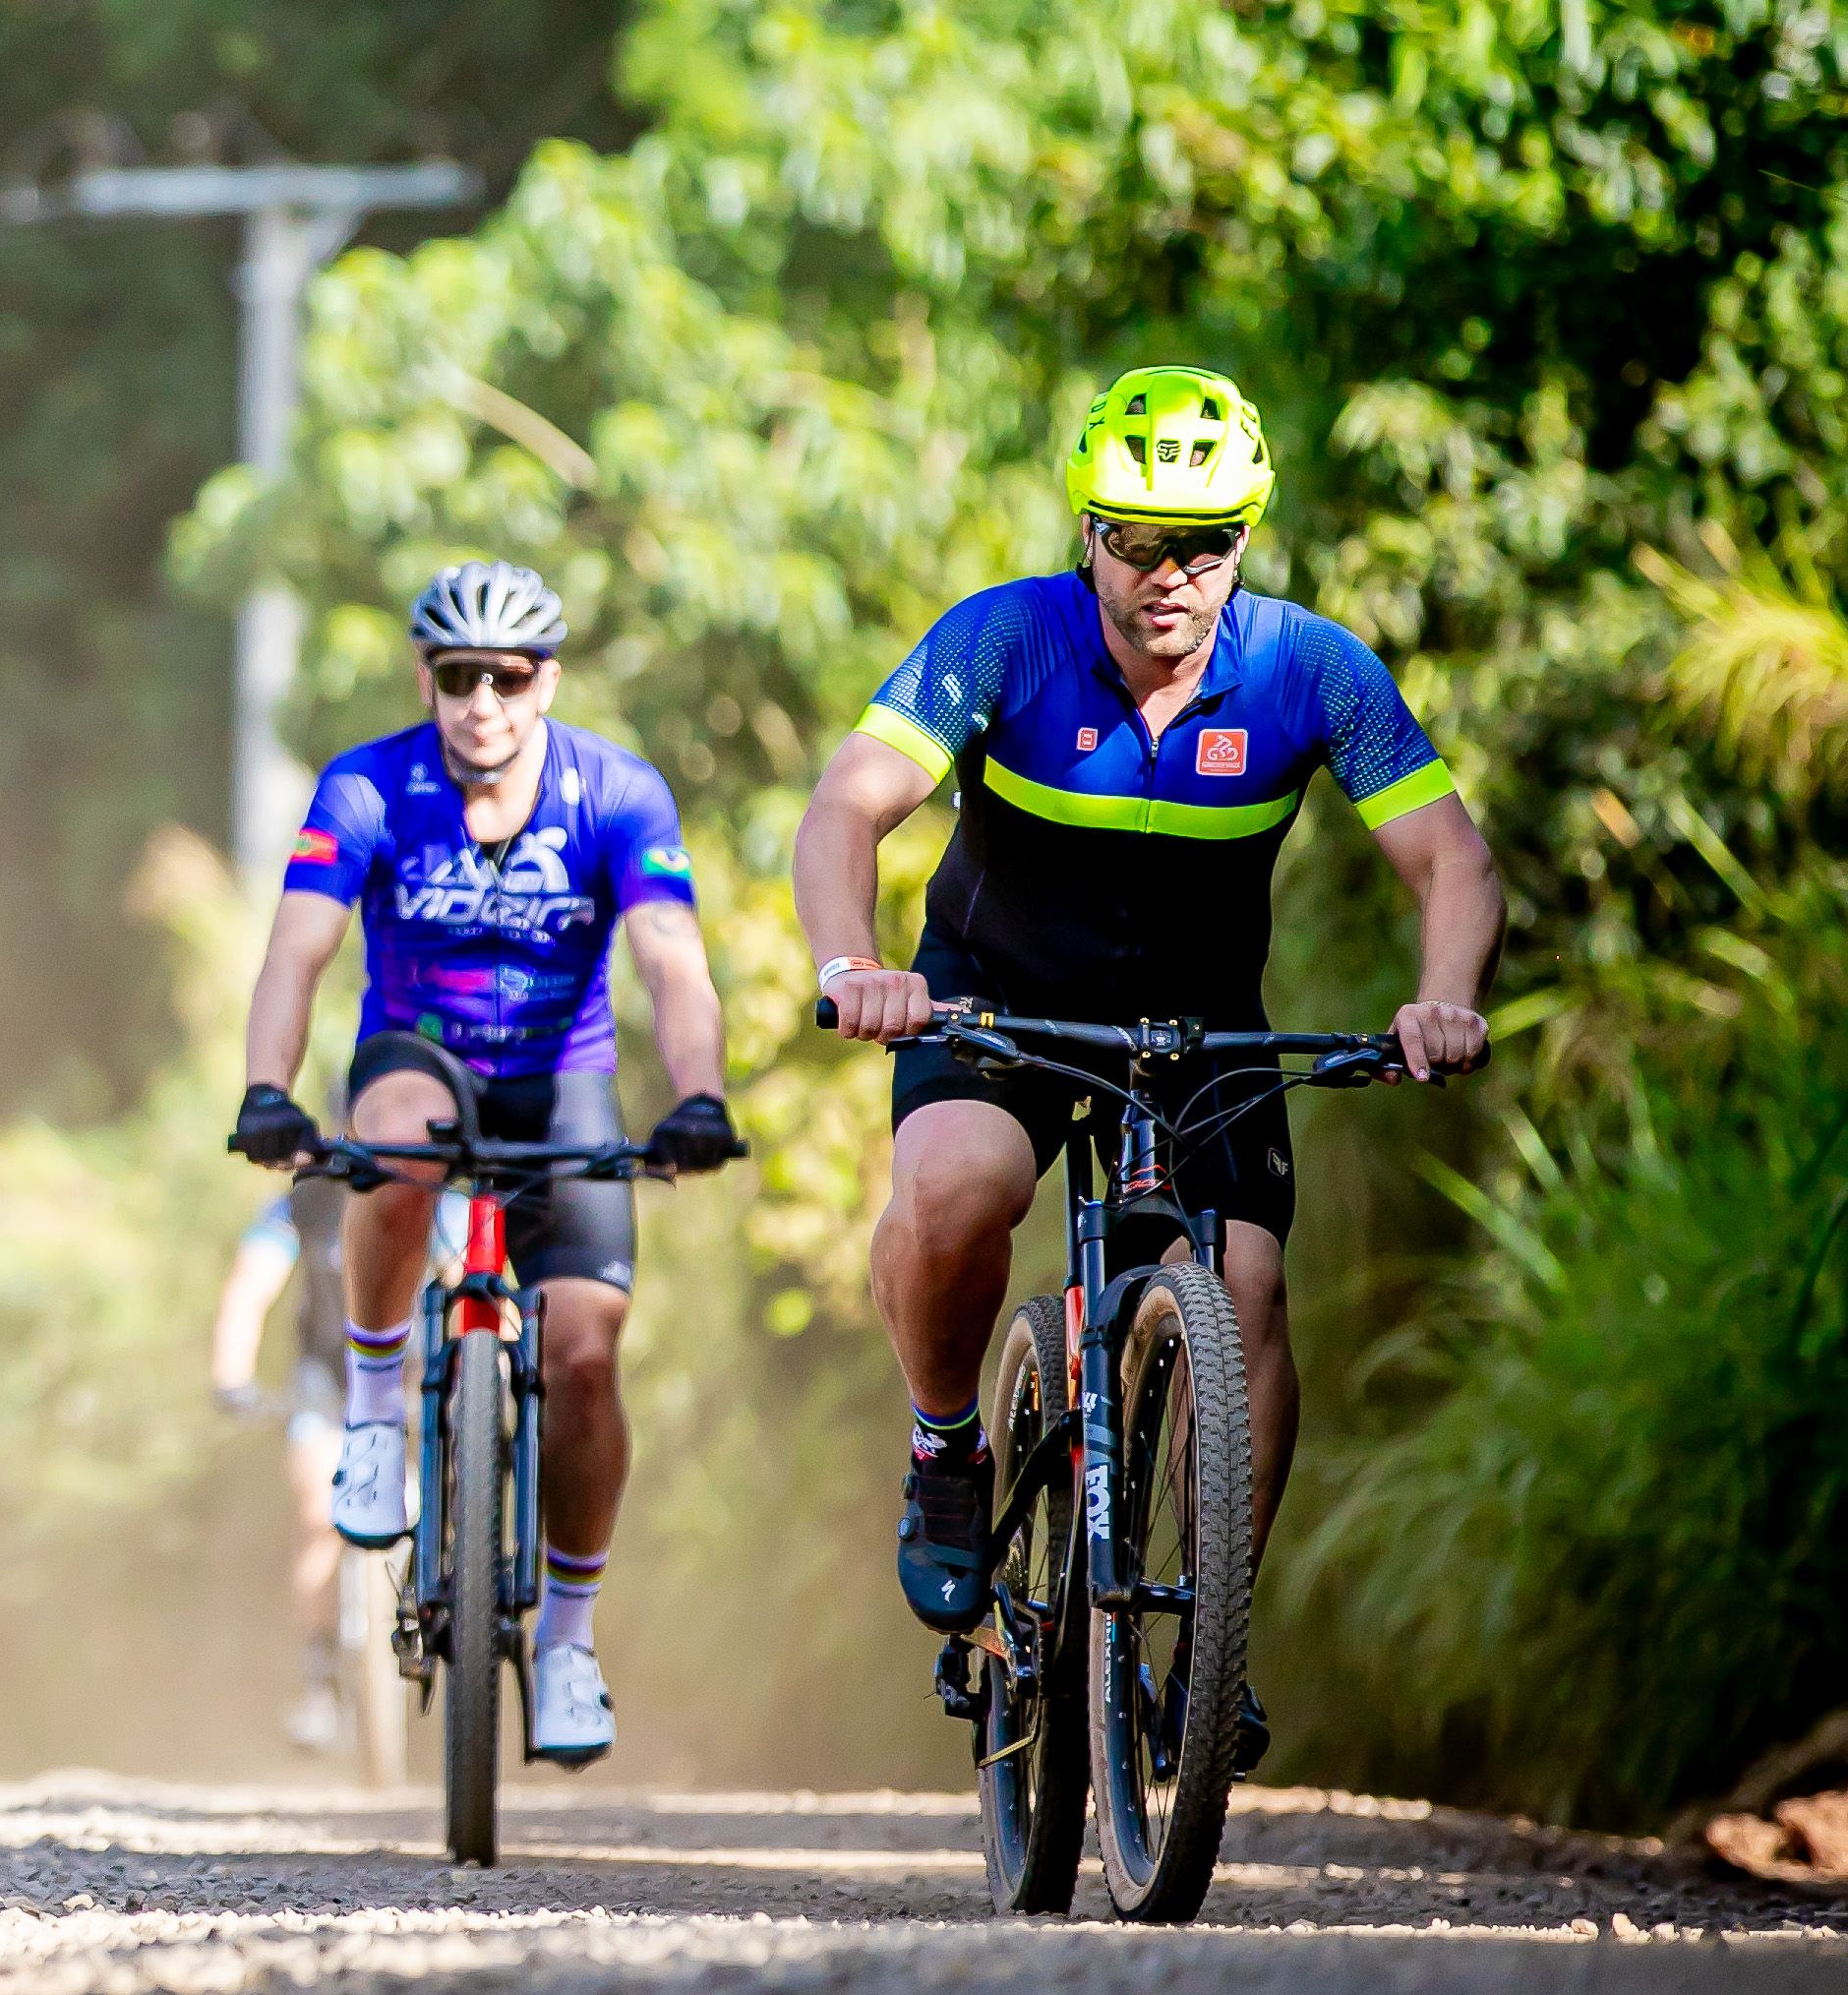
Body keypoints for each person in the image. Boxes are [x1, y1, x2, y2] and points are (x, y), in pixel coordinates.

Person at [791, 367, 1498, 1681]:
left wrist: (1444, 997)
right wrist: (855, 961)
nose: (1167, 574)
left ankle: (1209, 1645)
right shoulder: (1005, 640)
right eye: (1135, 540)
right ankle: (946, 1446)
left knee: (1248, 1286)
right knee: (953, 1187)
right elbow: (847, 806)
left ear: (1246, 537)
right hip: (998, 1001)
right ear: (1088, 531)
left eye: (1203, 543)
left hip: (1200, 1028)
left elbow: (1451, 859)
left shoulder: (1308, 667)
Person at [227, 561, 740, 1769]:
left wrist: (702, 1098)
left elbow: (672, 959)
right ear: (427, 680)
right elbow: (297, 951)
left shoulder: (618, 791)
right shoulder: (368, 786)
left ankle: (566, 1642)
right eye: (459, 677)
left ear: (545, 681)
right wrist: (266, 1090)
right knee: (395, 1144)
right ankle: (374, 1406)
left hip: (563, 1079)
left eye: (507, 678)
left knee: (584, 1357)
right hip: (420, 1055)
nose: (483, 704)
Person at [209, 1186, 382, 1761]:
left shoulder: (432, 1190)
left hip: (416, 1377)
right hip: (324, 1379)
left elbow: (474, 1283)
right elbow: (248, 1290)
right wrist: (232, 1376)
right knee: (317, 1513)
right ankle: (320, 1683)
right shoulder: (302, 1206)